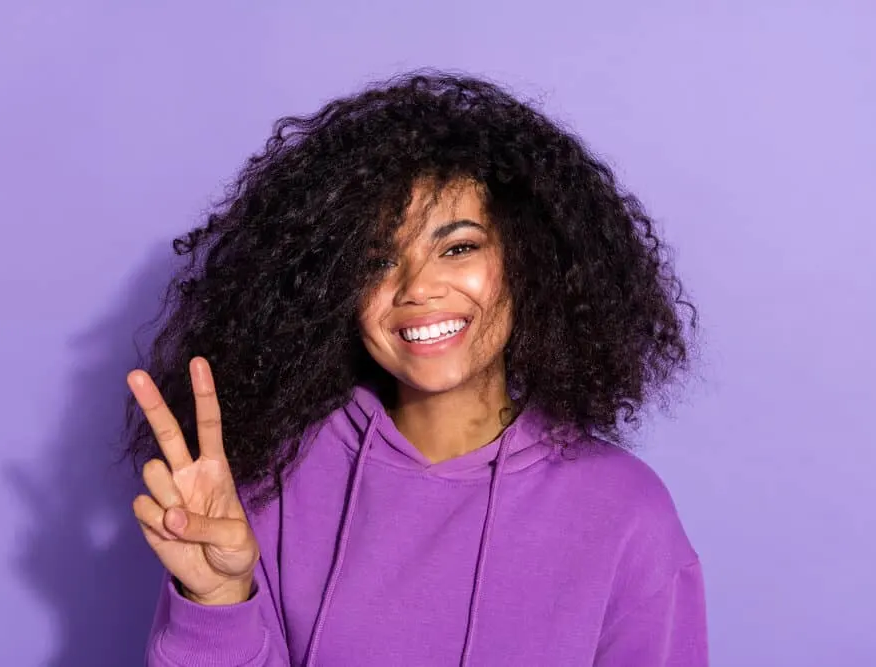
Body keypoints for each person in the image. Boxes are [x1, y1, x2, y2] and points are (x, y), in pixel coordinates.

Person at [124, 71, 706, 666]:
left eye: (458, 248)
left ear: (529, 259)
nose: (418, 288)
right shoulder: (277, 475)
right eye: (377, 261)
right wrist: (217, 599)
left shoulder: (625, 512)